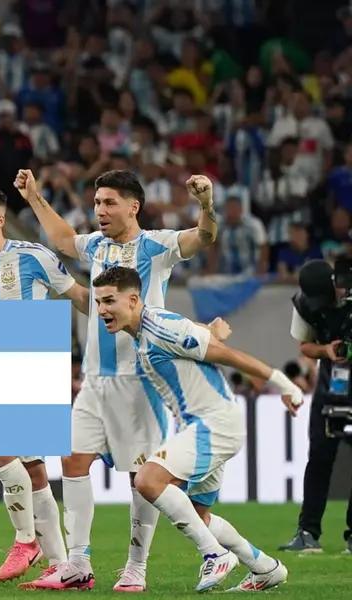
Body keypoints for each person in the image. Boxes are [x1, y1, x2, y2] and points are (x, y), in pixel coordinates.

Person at [17, 169, 220, 591]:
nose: (100, 211)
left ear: (133, 206)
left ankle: (137, 567)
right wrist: (34, 196)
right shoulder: (97, 247)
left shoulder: (157, 246)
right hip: (95, 379)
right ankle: (77, 563)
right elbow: (63, 240)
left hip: (139, 380)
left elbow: (203, 238)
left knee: (140, 479)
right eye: (96, 204)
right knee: (72, 460)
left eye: (109, 203)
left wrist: (205, 206)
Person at [93, 265, 296, 592]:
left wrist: (281, 382)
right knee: (198, 516)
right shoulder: (147, 332)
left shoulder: (158, 327)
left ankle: (214, 555)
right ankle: (264, 567)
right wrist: (210, 330)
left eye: (109, 301)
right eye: (99, 302)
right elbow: (193, 337)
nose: (102, 310)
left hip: (215, 423)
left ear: (132, 300)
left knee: (148, 479)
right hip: (202, 426)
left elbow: (227, 355)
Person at [0, 186, 89, 585]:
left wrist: (128, 314)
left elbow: (80, 297)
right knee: (33, 469)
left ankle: (26, 539)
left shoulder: (34, 257)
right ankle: (60, 564)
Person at [279, 258, 352, 554]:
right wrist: (325, 350)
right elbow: (305, 346)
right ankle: (308, 531)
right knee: (319, 457)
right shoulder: (306, 304)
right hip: (329, 386)